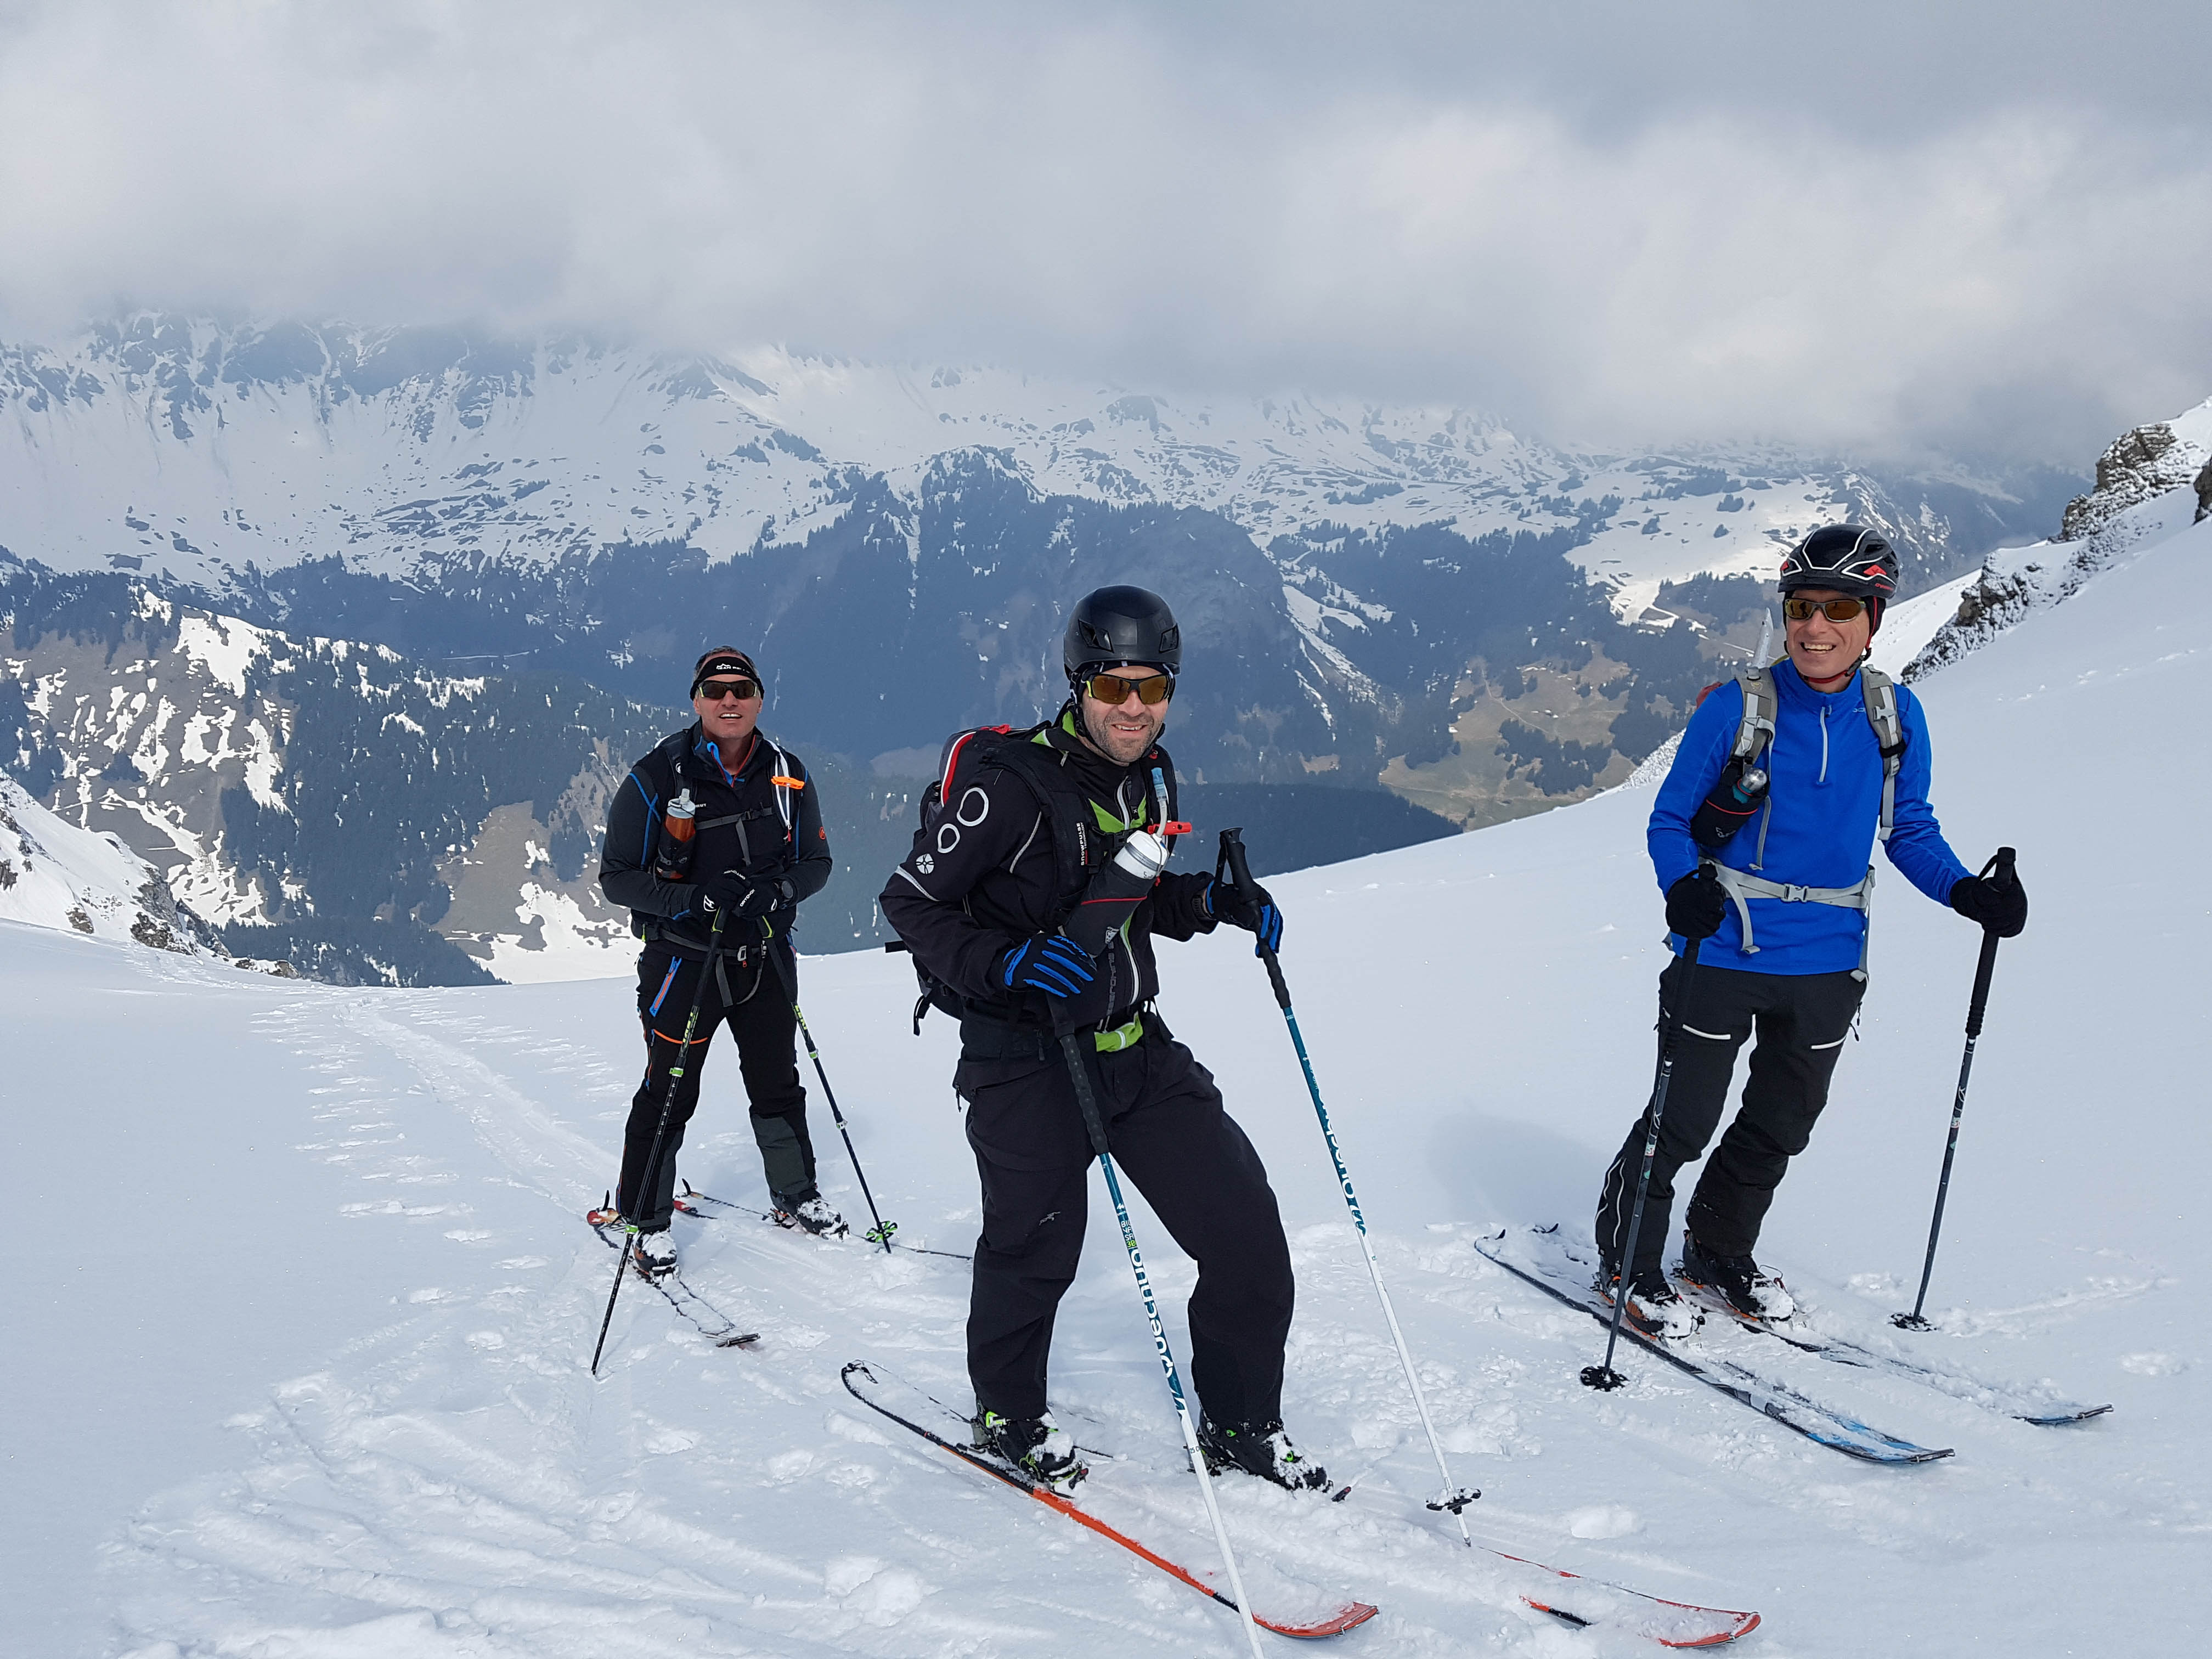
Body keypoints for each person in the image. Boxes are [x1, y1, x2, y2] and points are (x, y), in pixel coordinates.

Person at [879, 585, 1322, 1493]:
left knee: (1244, 1232)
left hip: (1132, 1051)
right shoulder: (1005, 787)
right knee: (1034, 1250)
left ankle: (1241, 1424)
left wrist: (1211, 901)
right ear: (1080, 682)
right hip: (1024, 1062)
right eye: (1114, 686)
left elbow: (1124, 895)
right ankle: (1006, 1414)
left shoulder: (1150, 777)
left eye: (1152, 686)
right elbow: (910, 903)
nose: (1134, 707)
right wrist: (1003, 964)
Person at [1593, 527, 2027, 1336]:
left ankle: (1718, 1248)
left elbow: (1909, 833)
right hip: (1720, 948)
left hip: (1829, 961)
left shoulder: (1894, 716)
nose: (1815, 626)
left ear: (1872, 619)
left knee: (1779, 1124)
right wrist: (1683, 883)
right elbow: (1668, 821)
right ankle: (1629, 1260)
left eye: (1837, 608)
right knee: (1681, 1119)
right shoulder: (1738, 708)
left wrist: (1968, 893)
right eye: (1801, 606)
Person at [598, 646, 839, 1275]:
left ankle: (796, 1194)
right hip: (683, 961)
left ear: (760, 698)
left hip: (762, 955)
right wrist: (693, 898)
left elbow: (816, 864)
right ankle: (644, 1217)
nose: (729, 699)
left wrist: (778, 892)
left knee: (776, 1080)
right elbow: (618, 879)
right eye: (715, 689)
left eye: (742, 688)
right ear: (697, 699)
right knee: (670, 1089)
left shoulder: (788, 774)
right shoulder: (657, 777)